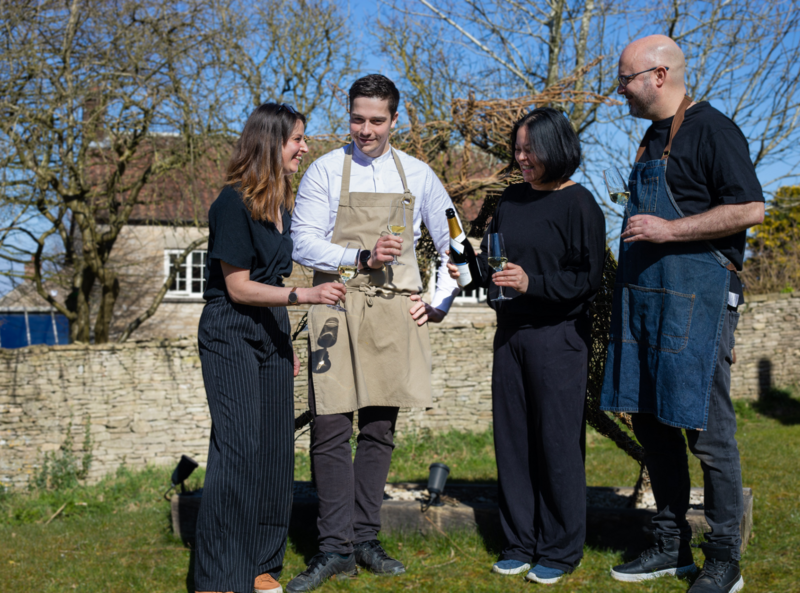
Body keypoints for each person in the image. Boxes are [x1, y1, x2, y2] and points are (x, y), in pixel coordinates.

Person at [599, 35, 764, 593]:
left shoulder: (713, 129)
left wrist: (669, 230)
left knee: (708, 433)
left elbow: (750, 208)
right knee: (653, 424)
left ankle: (724, 559)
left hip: (698, 303)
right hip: (645, 303)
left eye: (625, 79)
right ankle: (671, 545)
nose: (620, 90)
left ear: (659, 75)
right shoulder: (651, 137)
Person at [286, 74, 460, 592]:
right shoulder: (324, 170)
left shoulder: (419, 174)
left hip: (393, 312)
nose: (366, 130)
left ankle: (364, 538)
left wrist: (439, 302)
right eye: (357, 119)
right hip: (335, 305)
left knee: (379, 429)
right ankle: (333, 548)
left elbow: (454, 242)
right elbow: (302, 242)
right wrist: (358, 256)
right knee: (330, 426)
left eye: (376, 121)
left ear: (394, 120)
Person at [448, 107, 605, 585]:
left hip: (559, 337)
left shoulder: (580, 204)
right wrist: (469, 270)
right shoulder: (510, 200)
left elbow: (587, 279)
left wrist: (532, 283)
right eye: (517, 150)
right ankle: (519, 543)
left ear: (555, 148)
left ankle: (560, 549)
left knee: (556, 444)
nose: (521, 158)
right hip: (510, 336)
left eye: (529, 150)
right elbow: (494, 260)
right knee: (513, 442)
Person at [194, 103, 347, 593]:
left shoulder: (280, 204)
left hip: (270, 329)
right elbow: (238, 287)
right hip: (231, 329)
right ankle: (220, 576)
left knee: (277, 449)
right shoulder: (231, 203)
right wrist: (305, 296)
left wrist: (283, 338)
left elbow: (273, 280)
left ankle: (261, 563)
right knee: (239, 450)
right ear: (271, 142)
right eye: (297, 139)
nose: (305, 147)